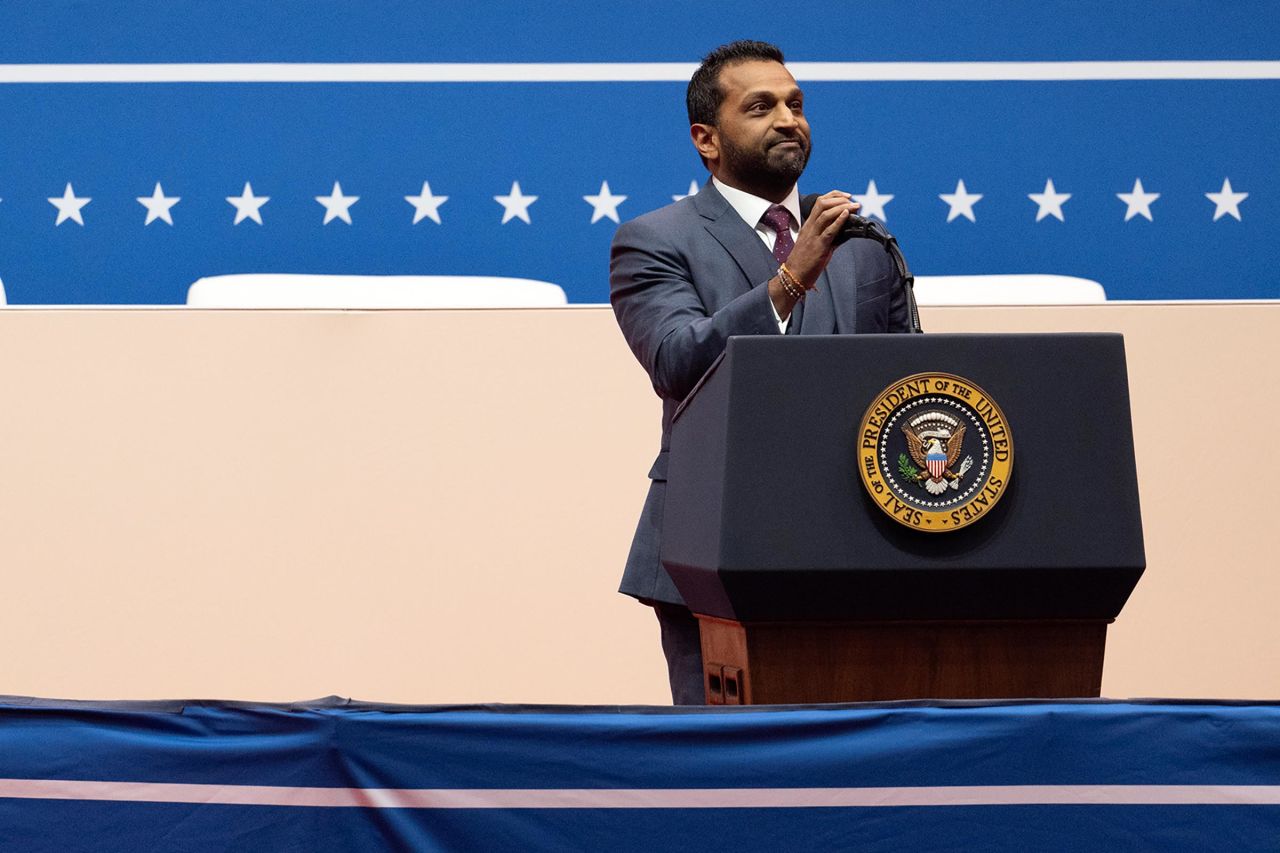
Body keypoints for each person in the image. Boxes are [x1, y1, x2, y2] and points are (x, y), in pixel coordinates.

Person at [609, 40, 913, 704]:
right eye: (762, 106)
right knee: (729, 774)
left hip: (858, 550)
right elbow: (676, 360)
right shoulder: (656, 240)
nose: (788, 119)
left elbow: (909, 393)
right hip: (713, 551)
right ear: (707, 139)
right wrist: (789, 280)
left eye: (796, 104)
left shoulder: (866, 245)